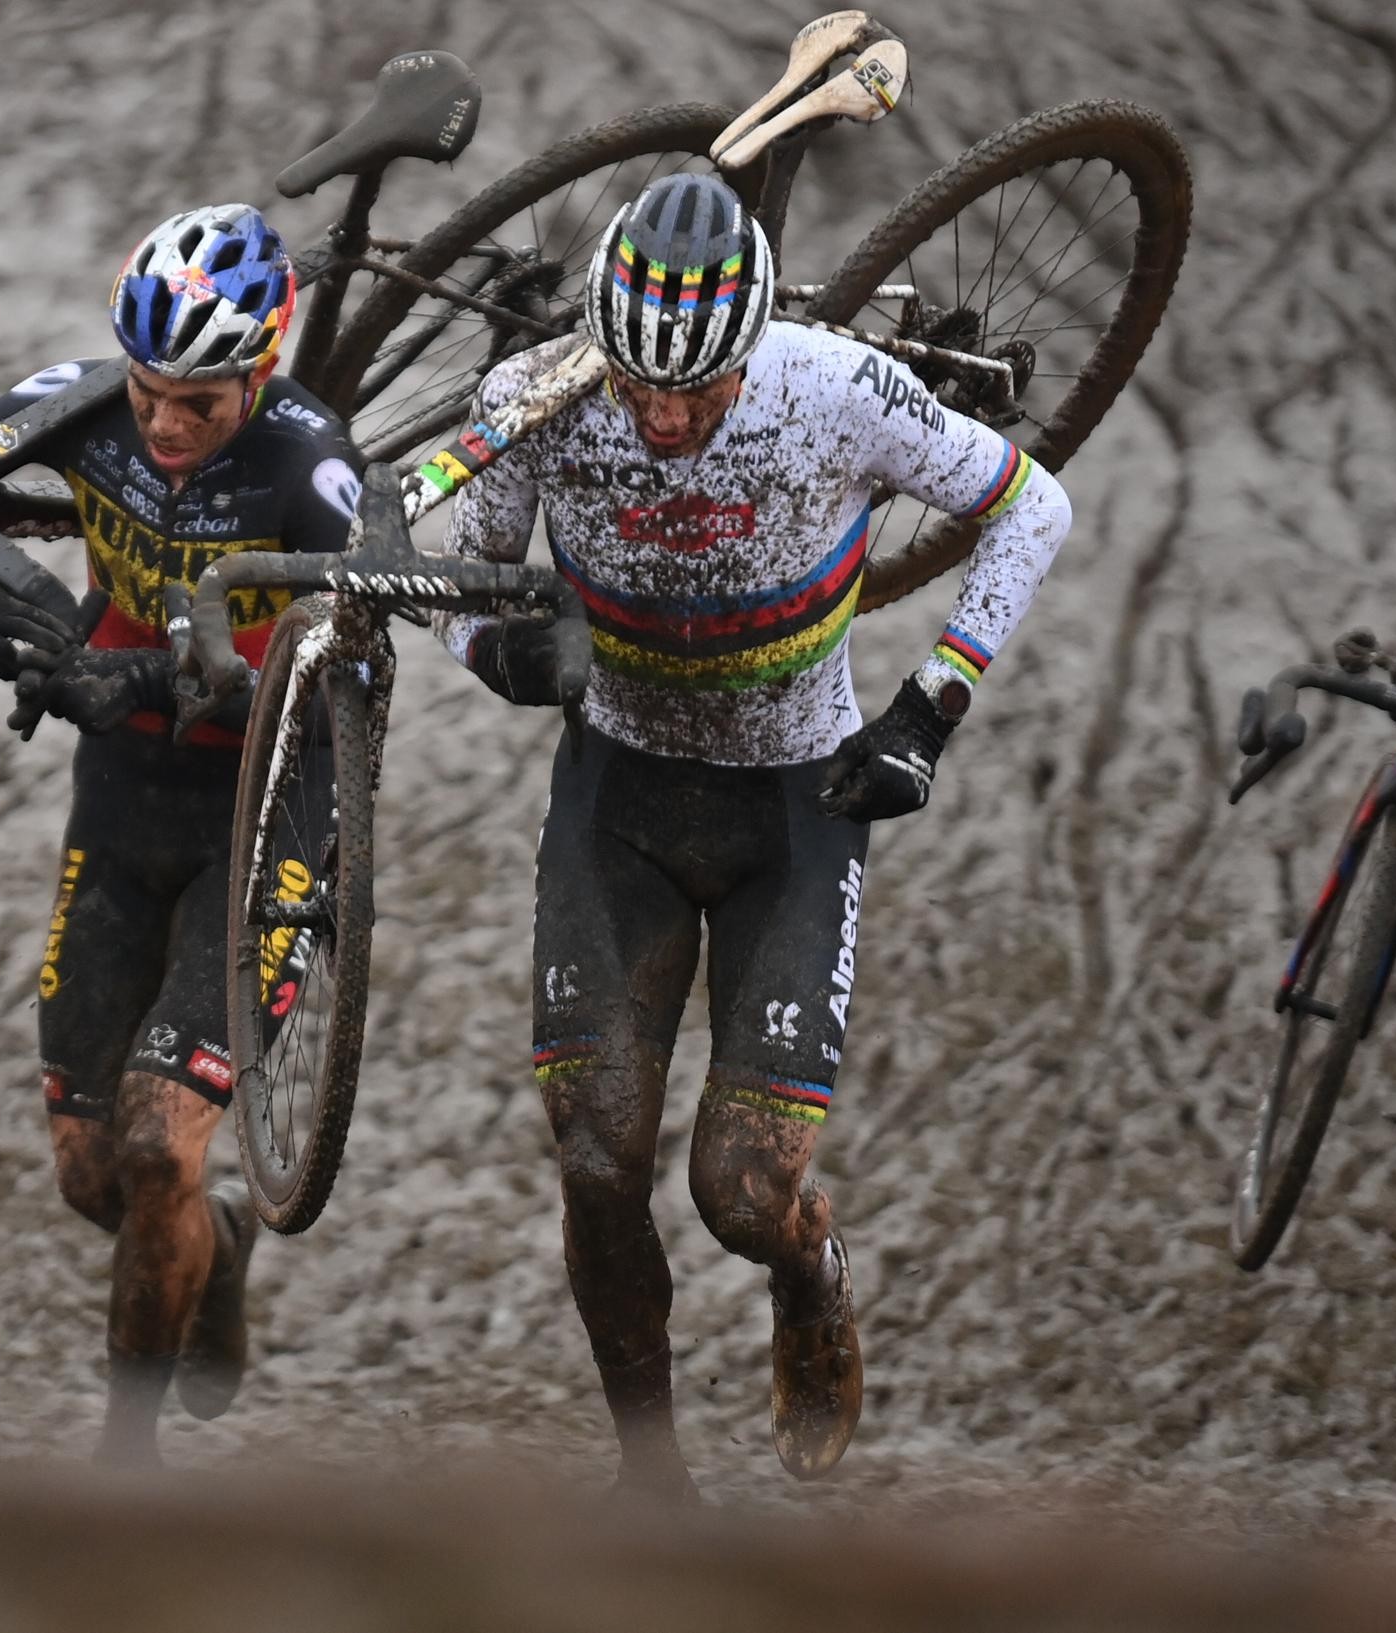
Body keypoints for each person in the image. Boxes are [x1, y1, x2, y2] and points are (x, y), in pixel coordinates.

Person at [433, 173, 1072, 1495]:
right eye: (638, 388)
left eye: (698, 393)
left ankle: (807, 1263)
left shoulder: (830, 384)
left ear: (751, 348)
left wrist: (926, 709)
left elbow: (1031, 506)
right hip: (617, 796)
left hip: (796, 801)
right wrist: (489, 644)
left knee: (739, 1193)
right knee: (598, 1156)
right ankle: (651, 1480)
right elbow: (461, 578)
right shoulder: (539, 396)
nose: (664, 418)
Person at [0, 203, 365, 1465]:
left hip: (263, 814)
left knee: (155, 1138)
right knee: (92, 1176)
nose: (167, 426)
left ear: (264, 368)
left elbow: (358, 659)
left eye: (201, 402)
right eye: (147, 392)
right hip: (120, 801)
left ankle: (125, 1460)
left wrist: (195, 675)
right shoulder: (78, 405)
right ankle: (214, 1248)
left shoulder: (309, 463)